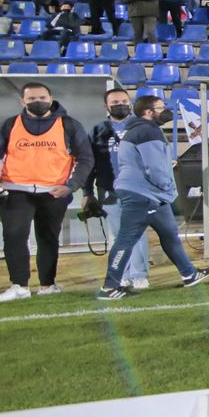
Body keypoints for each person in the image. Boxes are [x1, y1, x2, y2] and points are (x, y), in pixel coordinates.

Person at [95, 95, 209, 299]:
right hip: (143, 193)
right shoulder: (147, 131)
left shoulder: (138, 129)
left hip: (148, 193)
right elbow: (155, 167)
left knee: (169, 234)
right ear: (149, 112)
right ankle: (109, 287)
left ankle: (189, 274)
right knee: (126, 240)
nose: (165, 111)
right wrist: (167, 187)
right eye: (161, 108)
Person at [0, 83, 94, 302]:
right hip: (14, 191)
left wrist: (71, 185)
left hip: (54, 192)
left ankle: (48, 285)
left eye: (41, 97)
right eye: (31, 99)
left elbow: (85, 158)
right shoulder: (10, 125)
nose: (37, 102)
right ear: (22, 102)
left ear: (51, 98)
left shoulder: (69, 125)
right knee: (14, 236)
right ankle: (19, 286)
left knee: (48, 238)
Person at [84, 88, 150, 290]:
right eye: (115, 102)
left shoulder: (142, 127)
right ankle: (123, 273)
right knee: (119, 235)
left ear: (130, 103)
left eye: (123, 100)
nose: (120, 104)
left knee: (137, 232)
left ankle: (139, 274)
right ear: (106, 106)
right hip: (108, 189)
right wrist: (87, 192)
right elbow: (89, 163)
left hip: (138, 189)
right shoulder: (97, 130)